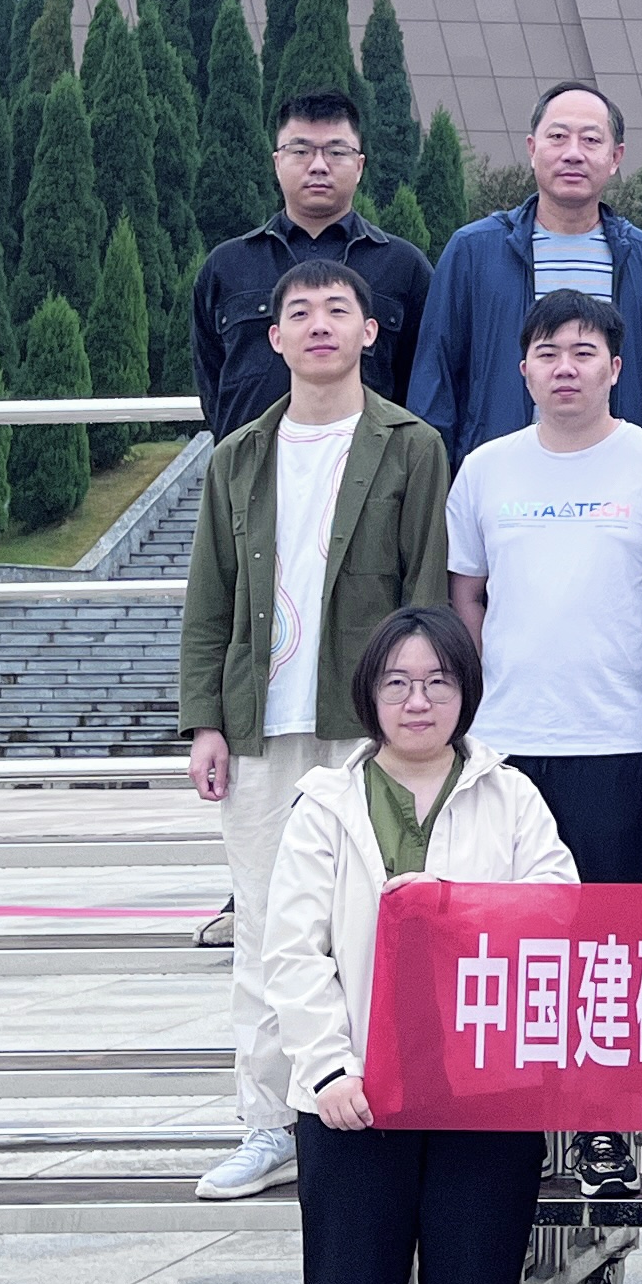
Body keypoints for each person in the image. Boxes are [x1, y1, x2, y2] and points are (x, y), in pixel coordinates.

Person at [263, 603, 575, 1284]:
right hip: (357, 1102)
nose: (417, 700)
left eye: (438, 681)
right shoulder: (326, 805)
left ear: (465, 694)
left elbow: (558, 909)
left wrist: (460, 910)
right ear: (369, 694)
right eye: (397, 681)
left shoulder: (508, 796)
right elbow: (292, 951)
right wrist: (327, 1069)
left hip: (481, 1096)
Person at [178, 258, 453, 1202]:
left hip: (368, 723)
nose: (321, 324)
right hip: (261, 724)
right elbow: (209, 598)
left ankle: (388, 1100)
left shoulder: (411, 446)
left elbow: (425, 590)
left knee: (378, 921)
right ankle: (268, 1121)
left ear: (371, 332)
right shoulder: (238, 456)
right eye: (301, 312)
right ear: (275, 338)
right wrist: (204, 721)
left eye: (340, 309)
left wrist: (419, 715)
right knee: (267, 925)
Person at [443, 288, 642, 1197]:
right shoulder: (486, 470)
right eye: (548, 353)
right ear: (523, 369)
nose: (565, 368)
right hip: (504, 741)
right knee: (505, 941)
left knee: (607, 945)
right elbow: (467, 594)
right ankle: (509, 1113)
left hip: (613, 738)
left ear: (615, 368)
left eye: (584, 352)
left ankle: (604, 1121)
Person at [409, 80, 642, 456]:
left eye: (591, 140)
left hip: (620, 474)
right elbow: (435, 377)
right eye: (557, 137)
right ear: (532, 148)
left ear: (615, 157)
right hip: (503, 471)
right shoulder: (474, 251)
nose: (573, 153)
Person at [189, 90, 436, 438]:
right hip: (254, 466)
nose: (318, 165)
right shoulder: (226, 266)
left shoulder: (403, 267)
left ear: (359, 166)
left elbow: (422, 385)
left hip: (370, 467)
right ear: (277, 162)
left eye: (336, 152)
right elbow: (212, 385)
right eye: (301, 151)